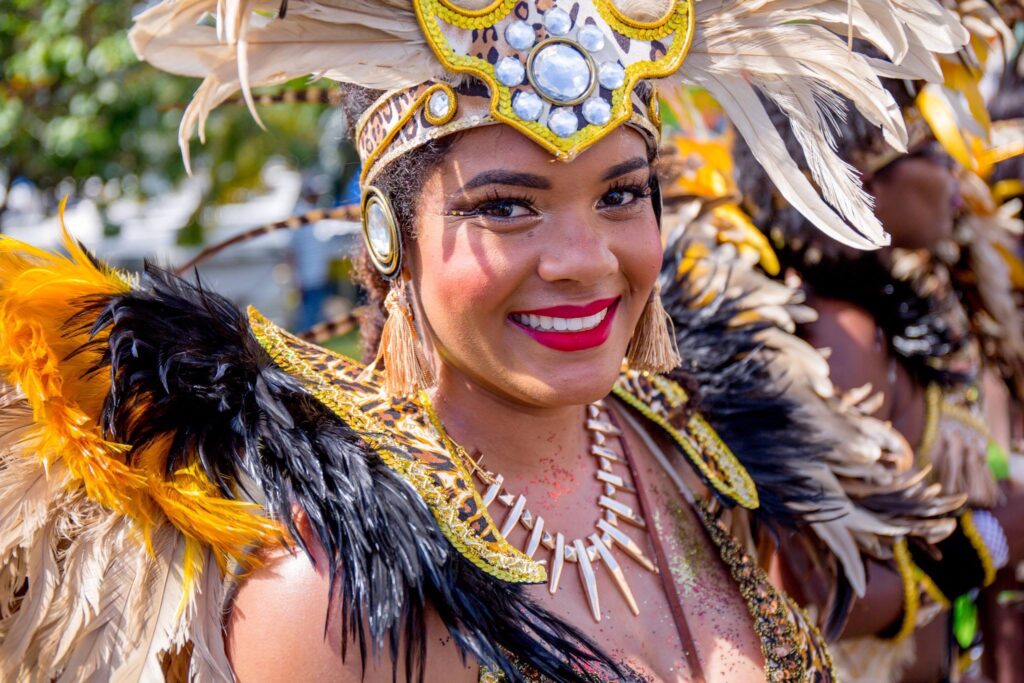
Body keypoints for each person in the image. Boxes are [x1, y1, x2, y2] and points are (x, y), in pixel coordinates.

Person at [0, 0, 969, 680]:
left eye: (621, 194)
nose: (584, 260)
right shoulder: (335, 585)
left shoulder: (688, 451)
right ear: (387, 237)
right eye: (507, 207)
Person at [734, 50, 1024, 681]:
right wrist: (1000, 533)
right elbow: (829, 599)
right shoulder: (841, 337)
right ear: (861, 181)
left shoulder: (866, 320)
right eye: (938, 155)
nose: (960, 180)